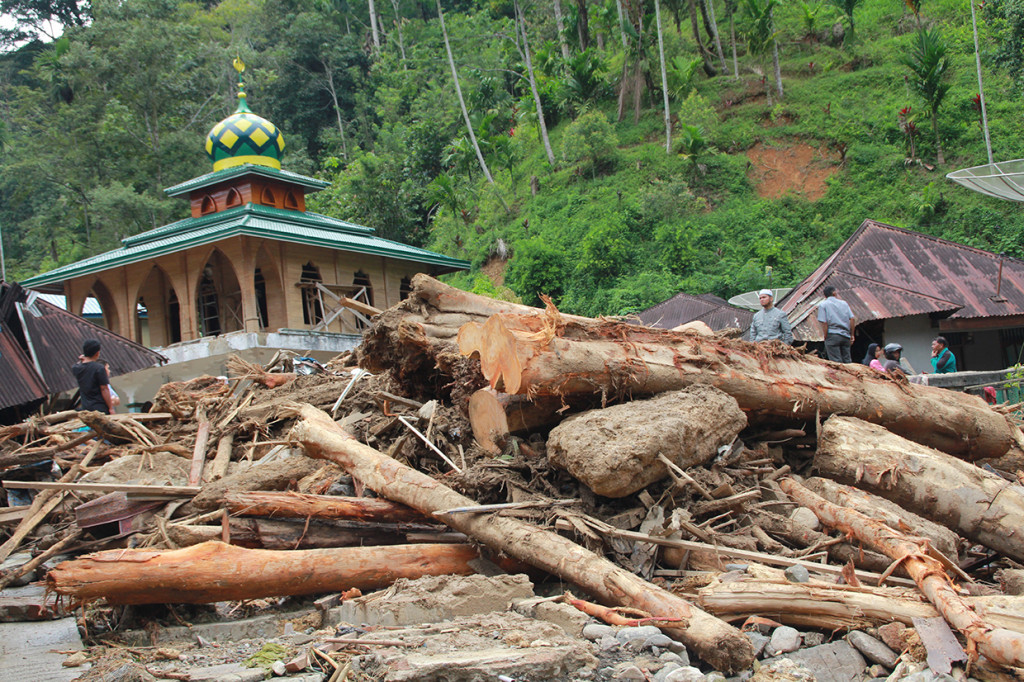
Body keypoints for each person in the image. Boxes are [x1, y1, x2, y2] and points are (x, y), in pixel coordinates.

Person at [71, 339, 116, 414]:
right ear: (97, 353)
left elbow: (78, 364)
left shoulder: (76, 368)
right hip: (100, 407)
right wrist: (111, 408)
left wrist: (82, 359)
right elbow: (104, 389)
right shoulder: (99, 368)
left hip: (86, 407)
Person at [816, 286, 855, 363]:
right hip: (845, 335)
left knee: (836, 362)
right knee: (847, 361)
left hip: (832, 335)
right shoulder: (844, 303)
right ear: (834, 293)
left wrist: (826, 335)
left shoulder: (823, 305)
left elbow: (824, 322)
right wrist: (852, 334)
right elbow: (852, 319)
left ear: (825, 295)